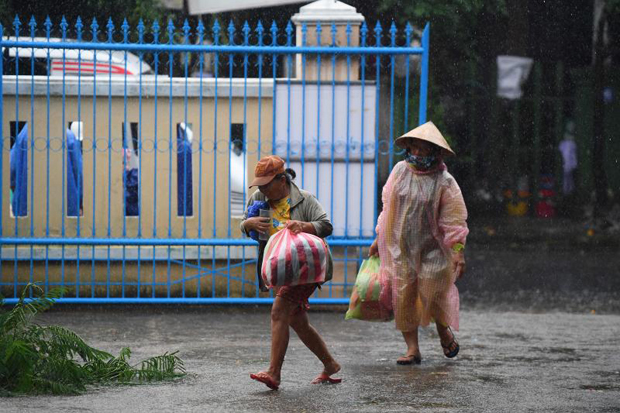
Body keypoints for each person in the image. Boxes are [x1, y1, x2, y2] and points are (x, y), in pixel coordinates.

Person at [369, 121, 468, 365]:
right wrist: (378, 236)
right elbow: (388, 207)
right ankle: (412, 349)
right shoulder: (400, 171)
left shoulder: (444, 181)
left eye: (425, 149)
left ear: (436, 152)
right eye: (415, 148)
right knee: (403, 297)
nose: (419, 153)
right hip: (399, 246)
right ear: (409, 148)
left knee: (432, 293)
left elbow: (454, 218)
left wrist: (457, 251)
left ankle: (443, 330)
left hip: (434, 249)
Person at [241, 155, 341, 390]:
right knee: (296, 319)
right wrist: (248, 224)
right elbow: (244, 223)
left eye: (267, 184)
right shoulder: (258, 198)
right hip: (279, 271)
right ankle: (330, 364)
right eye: (260, 185)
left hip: (305, 268)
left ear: (282, 179)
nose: (263, 190)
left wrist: (304, 226)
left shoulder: (304, 199)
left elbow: (326, 225)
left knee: (279, 311)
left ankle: (274, 373)